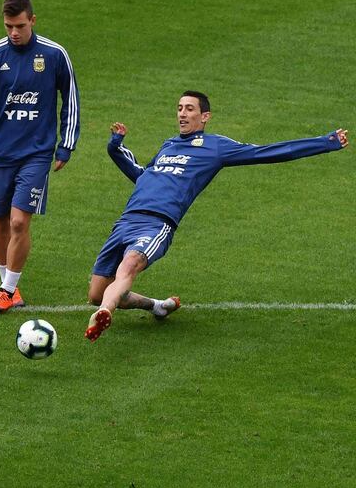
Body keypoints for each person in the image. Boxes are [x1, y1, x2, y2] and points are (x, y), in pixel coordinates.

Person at [85, 90, 349, 342]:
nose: (182, 114)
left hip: (157, 223)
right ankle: (155, 306)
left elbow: (267, 152)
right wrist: (115, 148)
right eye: (179, 108)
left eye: (189, 109)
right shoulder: (168, 145)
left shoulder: (215, 147)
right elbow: (145, 177)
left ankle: (105, 312)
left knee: (128, 266)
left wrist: (325, 143)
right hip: (126, 221)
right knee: (97, 293)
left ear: (205, 116)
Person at [0, 0, 80, 314]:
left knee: (18, 222)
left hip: (36, 154)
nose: (14, 32)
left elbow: (70, 99)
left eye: (19, 26)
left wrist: (66, 145)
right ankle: (10, 287)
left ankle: (5, 290)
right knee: (0, 222)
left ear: (32, 20)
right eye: (8, 26)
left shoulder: (54, 55)